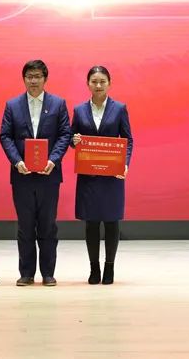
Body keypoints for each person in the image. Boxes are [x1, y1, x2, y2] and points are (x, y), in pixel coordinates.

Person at [0, 60, 72, 287]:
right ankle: (26, 273)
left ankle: (48, 273)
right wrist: (16, 161)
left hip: (49, 175)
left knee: (48, 225)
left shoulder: (58, 104)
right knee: (25, 226)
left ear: (45, 79)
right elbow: (5, 136)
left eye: (38, 76)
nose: (33, 80)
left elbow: (65, 134)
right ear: (24, 79)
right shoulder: (12, 105)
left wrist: (53, 159)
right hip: (22, 175)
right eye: (29, 76)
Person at [71, 65, 133, 285]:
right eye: (94, 81)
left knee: (111, 222)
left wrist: (125, 164)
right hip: (89, 177)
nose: (98, 85)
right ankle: (94, 268)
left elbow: (128, 139)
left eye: (102, 81)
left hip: (112, 176)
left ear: (109, 83)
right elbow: (71, 138)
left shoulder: (119, 108)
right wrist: (74, 140)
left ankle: (109, 267)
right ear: (88, 84)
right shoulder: (79, 110)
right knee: (91, 223)